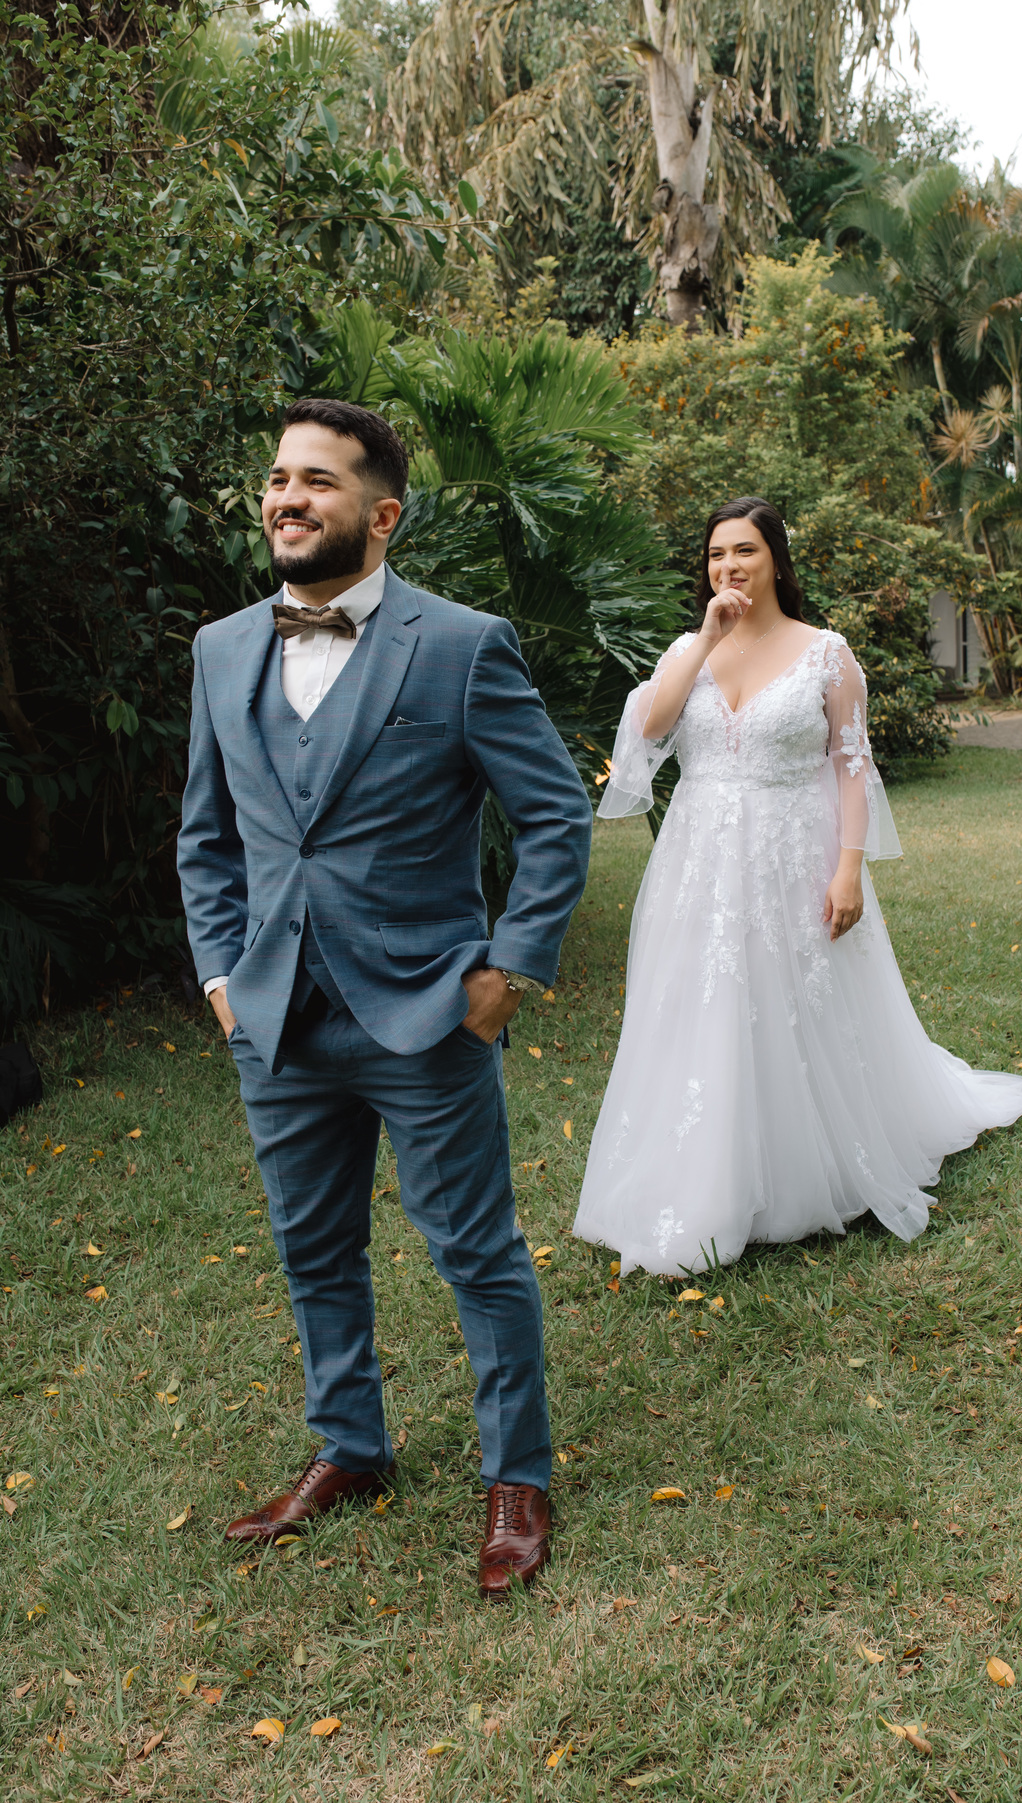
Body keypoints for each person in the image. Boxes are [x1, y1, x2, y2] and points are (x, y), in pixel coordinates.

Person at [177, 398, 592, 1599]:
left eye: (317, 480)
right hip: (275, 1020)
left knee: (476, 1252)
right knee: (313, 1247)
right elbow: (207, 837)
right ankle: (350, 1446)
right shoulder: (220, 649)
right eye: (277, 479)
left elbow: (555, 814)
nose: (287, 497)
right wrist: (220, 976)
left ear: (383, 512)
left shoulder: (460, 645)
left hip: (426, 1011)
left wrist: (507, 971)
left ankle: (516, 1476)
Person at [573, 497, 1022, 1276]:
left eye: (744, 550)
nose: (728, 566)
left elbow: (852, 766)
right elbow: (652, 727)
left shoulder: (826, 653)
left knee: (795, 1001)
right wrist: (707, 638)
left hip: (792, 854)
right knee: (700, 1006)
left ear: (775, 559)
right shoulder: (688, 648)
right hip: (699, 860)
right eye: (715, 554)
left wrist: (848, 867)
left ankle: (813, 1158)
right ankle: (703, 1170)